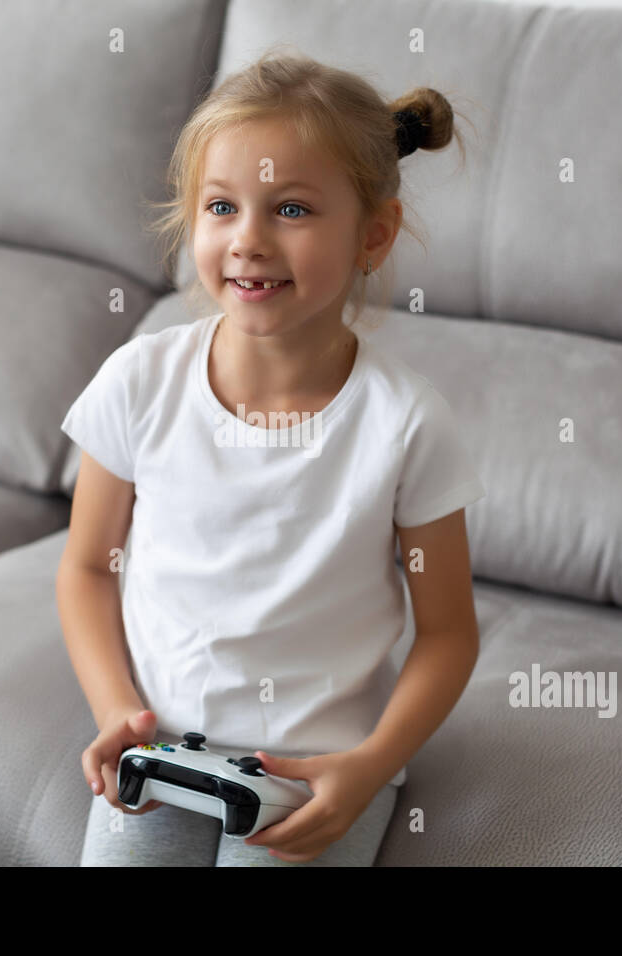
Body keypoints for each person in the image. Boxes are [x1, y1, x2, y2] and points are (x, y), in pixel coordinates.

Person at [57, 47, 484, 866]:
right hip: (154, 753)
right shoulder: (140, 379)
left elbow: (447, 635)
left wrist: (370, 764)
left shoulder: (407, 425)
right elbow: (86, 569)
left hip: (316, 773)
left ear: (375, 234)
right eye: (222, 206)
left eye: (291, 210)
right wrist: (117, 711)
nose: (248, 240)